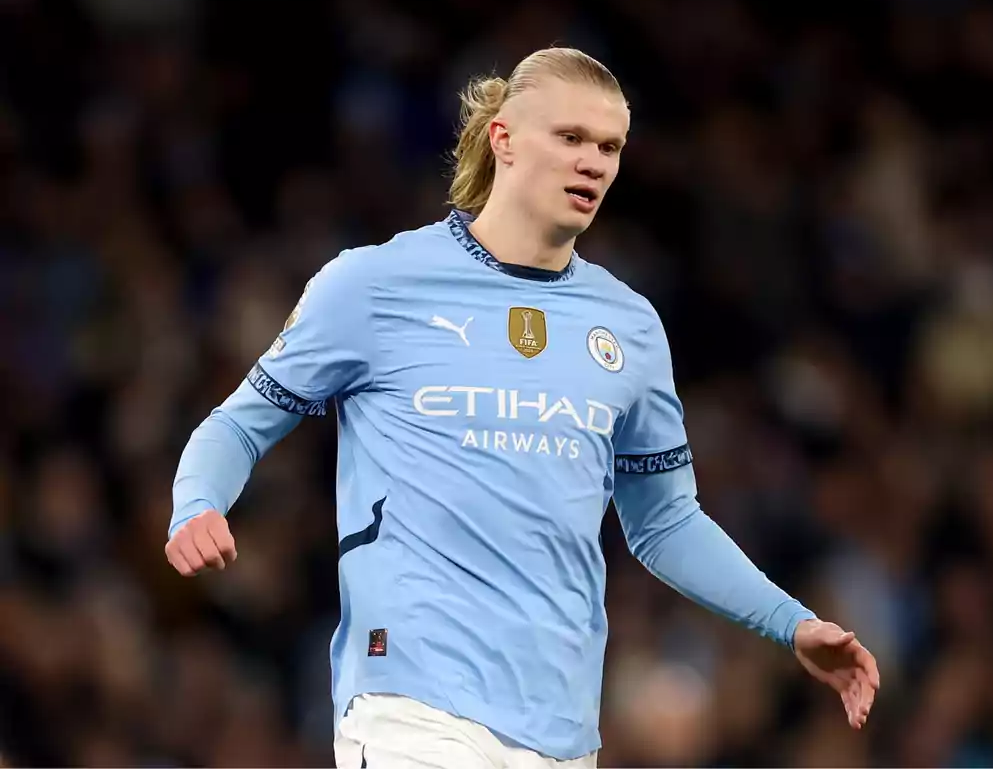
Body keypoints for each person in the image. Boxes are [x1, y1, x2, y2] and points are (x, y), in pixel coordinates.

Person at [166, 47, 880, 769]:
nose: (593, 163)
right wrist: (198, 501)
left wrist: (791, 624)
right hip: (410, 708)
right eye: (570, 138)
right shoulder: (374, 286)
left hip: (562, 730)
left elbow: (665, 521)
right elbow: (238, 423)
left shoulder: (627, 326)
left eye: (610, 147)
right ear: (502, 139)